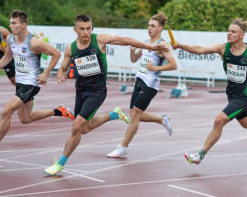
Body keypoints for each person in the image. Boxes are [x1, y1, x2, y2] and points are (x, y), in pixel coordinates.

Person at [44, 14, 169, 176]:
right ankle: (113, 114)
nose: (86, 32)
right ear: (75, 30)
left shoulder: (100, 40)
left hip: (97, 91)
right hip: (81, 90)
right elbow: (63, 67)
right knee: (85, 128)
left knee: (76, 127)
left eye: (89, 28)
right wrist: (61, 73)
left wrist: (151, 48)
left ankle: (60, 163)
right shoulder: (71, 48)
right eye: (82, 29)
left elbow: (126, 40)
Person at [170, 18, 247, 164]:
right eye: (228, 30)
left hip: (244, 97)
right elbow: (200, 50)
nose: (229, 33)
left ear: (242, 35)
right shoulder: (223, 48)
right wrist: (181, 45)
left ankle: (200, 155)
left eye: (233, 31)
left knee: (219, 120)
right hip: (231, 96)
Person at [0, 10, 74, 158]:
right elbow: (7, 58)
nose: (10, 25)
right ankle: (58, 111)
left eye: (14, 23)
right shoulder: (10, 39)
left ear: (23, 25)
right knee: (26, 118)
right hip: (20, 83)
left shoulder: (33, 42)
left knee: (6, 110)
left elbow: (56, 53)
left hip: (31, 84)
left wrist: (46, 73)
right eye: (10, 22)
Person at [107, 12, 177, 158]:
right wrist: (132, 51)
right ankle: (161, 119)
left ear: (160, 28)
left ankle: (123, 147)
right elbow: (134, 60)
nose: (149, 28)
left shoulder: (162, 45)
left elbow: (173, 65)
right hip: (139, 80)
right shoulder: (146, 42)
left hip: (150, 84)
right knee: (134, 114)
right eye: (148, 26)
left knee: (135, 116)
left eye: (153, 26)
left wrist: (155, 68)